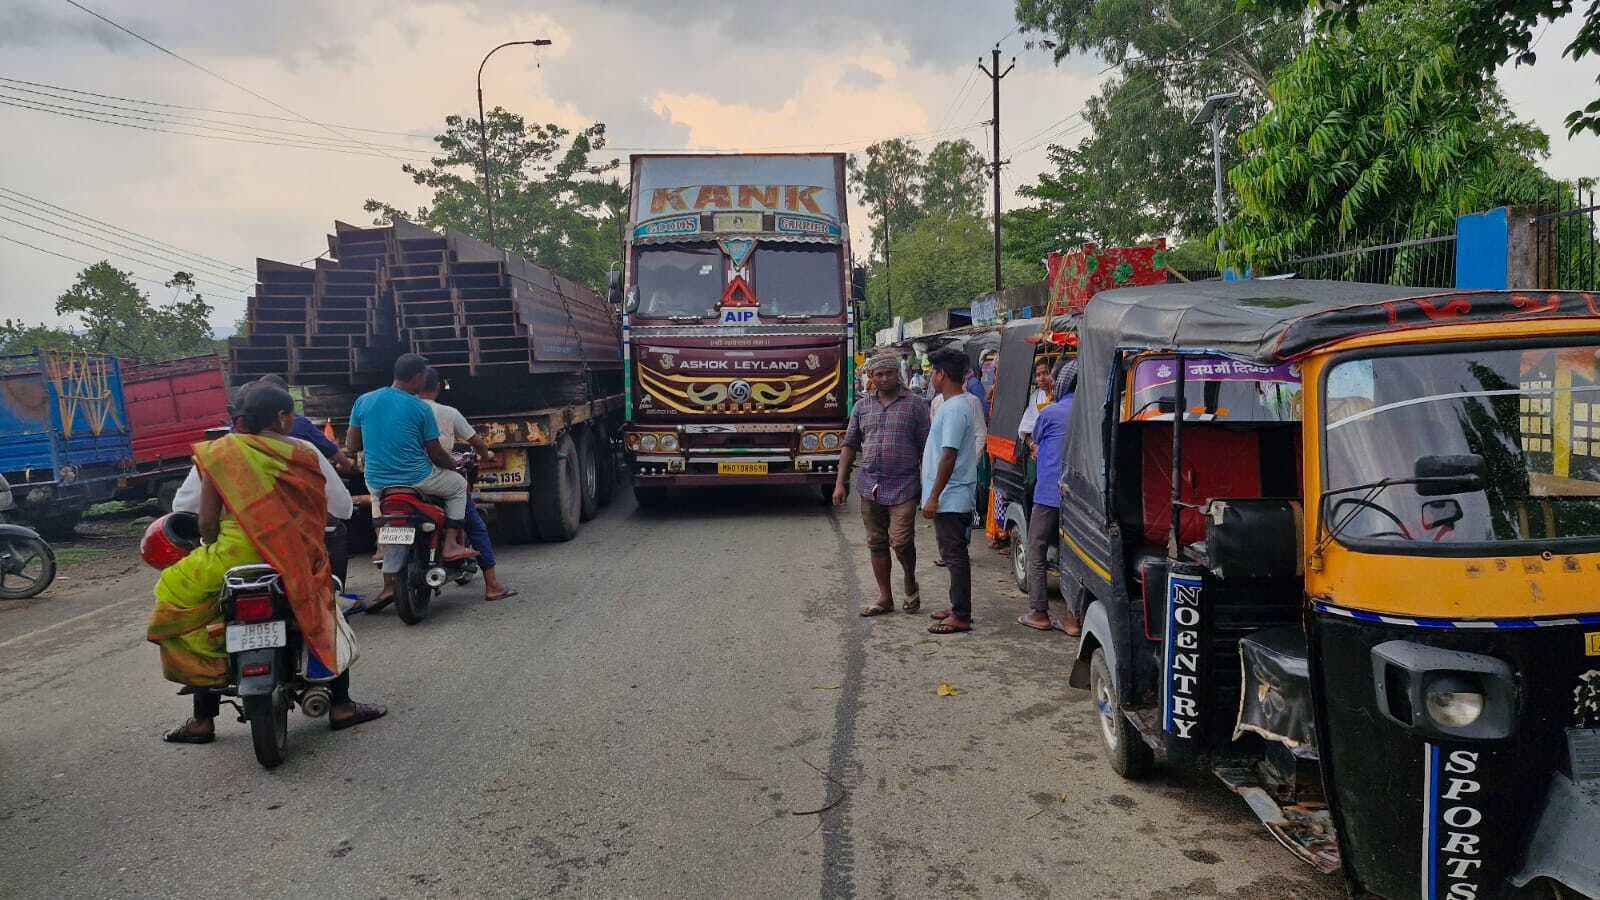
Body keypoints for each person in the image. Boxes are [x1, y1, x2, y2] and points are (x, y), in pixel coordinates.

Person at [152, 381, 384, 743]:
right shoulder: (304, 453)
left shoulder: (220, 454)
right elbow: (339, 507)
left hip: (230, 561)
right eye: (291, 413)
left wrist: (211, 547)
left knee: (200, 611)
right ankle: (341, 706)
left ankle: (202, 719)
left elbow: (205, 521)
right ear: (281, 417)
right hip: (296, 560)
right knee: (323, 613)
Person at [346, 354, 478, 587]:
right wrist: (454, 467)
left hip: (377, 480)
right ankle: (450, 544)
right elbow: (436, 452)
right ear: (417, 377)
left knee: (377, 498)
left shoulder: (364, 400)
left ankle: (382, 546)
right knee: (458, 486)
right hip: (418, 478)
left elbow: (352, 445)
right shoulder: (420, 408)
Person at [834, 349, 931, 616]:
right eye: (879, 374)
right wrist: (840, 483)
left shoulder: (915, 405)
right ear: (871, 377)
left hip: (905, 485)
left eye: (889, 373)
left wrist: (931, 489)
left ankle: (910, 580)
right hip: (870, 485)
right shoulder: (862, 407)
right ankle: (885, 598)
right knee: (876, 542)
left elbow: (927, 447)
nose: (884, 378)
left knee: (900, 541)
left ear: (897, 375)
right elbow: (850, 444)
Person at [418, 368, 517, 602]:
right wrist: (486, 454)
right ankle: (492, 585)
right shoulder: (447, 412)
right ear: (438, 387)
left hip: (401, 479)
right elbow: (475, 441)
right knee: (476, 524)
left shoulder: (403, 411)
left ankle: (388, 585)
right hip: (435, 477)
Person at [1018, 360, 1080, 635]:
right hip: (1084, 499)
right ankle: (1072, 618)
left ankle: (1039, 611)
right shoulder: (1095, 412)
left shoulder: (1052, 412)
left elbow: (1037, 439)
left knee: (1037, 549)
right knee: (1075, 557)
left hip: (1049, 494)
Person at [923, 347, 981, 635]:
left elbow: (948, 456)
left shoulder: (956, 408)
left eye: (933, 371)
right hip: (950, 494)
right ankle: (956, 605)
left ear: (942, 374)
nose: (931, 377)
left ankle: (961, 614)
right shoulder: (950, 406)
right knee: (951, 553)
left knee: (954, 555)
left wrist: (933, 496)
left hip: (951, 496)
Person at [1017, 359, 1056, 452]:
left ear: (1053, 374)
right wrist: (1033, 446)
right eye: (1038, 375)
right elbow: (1024, 430)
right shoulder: (1034, 397)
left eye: (1046, 373)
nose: (1042, 378)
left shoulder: (1060, 394)